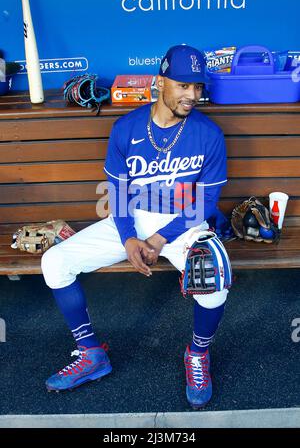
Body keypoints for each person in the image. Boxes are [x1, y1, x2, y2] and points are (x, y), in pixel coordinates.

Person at [41, 44, 231, 409]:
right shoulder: (126, 128)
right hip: (130, 218)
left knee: (215, 278)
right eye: (183, 85)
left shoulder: (209, 135)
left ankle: (197, 354)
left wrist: (159, 239)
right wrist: (129, 238)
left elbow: (204, 204)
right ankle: (92, 353)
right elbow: (119, 194)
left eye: (198, 87)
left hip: (183, 223)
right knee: (55, 262)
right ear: (161, 82)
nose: (192, 95)